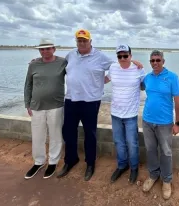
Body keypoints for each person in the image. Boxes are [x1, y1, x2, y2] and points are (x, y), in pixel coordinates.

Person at [57, 29, 143, 181]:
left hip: (91, 101)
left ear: (90, 41)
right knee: (68, 132)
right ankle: (70, 160)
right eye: (79, 40)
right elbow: (58, 66)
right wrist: (39, 61)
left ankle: (90, 164)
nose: (82, 43)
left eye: (84, 40)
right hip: (71, 99)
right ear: (76, 41)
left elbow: (118, 65)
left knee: (90, 134)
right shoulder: (70, 55)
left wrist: (134, 63)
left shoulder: (101, 57)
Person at [141, 50, 179, 200]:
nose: (155, 63)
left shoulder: (172, 77)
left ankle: (166, 180)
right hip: (147, 121)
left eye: (158, 60)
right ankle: (153, 175)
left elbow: (178, 102)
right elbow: (138, 85)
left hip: (165, 123)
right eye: (152, 60)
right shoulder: (147, 78)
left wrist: (177, 123)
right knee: (151, 150)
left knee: (166, 152)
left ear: (163, 61)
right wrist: (136, 67)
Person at [24, 39, 67, 179]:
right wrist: (27, 103)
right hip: (36, 106)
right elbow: (28, 85)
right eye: (42, 49)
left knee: (55, 136)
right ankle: (39, 162)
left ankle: (53, 162)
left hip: (56, 105)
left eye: (48, 48)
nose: (45, 51)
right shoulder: (33, 64)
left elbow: (79, 70)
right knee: (37, 136)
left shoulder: (63, 62)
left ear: (54, 49)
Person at [104, 44, 145, 184]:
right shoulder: (113, 68)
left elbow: (145, 85)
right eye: (119, 56)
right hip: (115, 113)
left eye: (125, 55)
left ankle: (134, 168)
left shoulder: (138, 69)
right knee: (119, 142)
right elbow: (103, 79)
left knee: (132, 143)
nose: (122, 58)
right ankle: (122, 166)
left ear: (130, 56)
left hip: (131, 115)